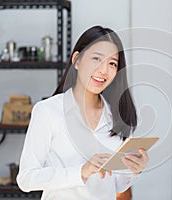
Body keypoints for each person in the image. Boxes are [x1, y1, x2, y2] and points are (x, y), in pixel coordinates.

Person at [17, 26, 149, 200]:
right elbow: (26, 179)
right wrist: (80, 172)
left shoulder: (116, 117)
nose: (103, 70)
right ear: (77, 60)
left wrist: (134, 170)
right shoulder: (48, 111)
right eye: (96, 59)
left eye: (112, 63)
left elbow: (115, 184)